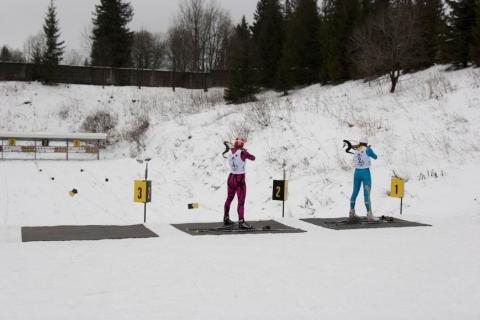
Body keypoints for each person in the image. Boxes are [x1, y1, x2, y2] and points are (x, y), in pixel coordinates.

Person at [224, 137, 255, 229]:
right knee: (241, 201)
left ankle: (226, 218)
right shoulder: (243, 152)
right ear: (242, 144)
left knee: (229, 198)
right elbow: (253, 158)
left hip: (231, 177)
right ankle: (241, 221)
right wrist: (245, 151)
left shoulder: (230, 151)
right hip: (239, 178)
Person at [349, 137, 378, 221]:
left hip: (357, 173)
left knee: (354, 192)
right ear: (366, 143)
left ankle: (351, 212)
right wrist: (370, 149)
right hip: (365, 173)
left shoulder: (356, 150)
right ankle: (369, 214)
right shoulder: (367, 149)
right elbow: (375, 157)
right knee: (366, 194)